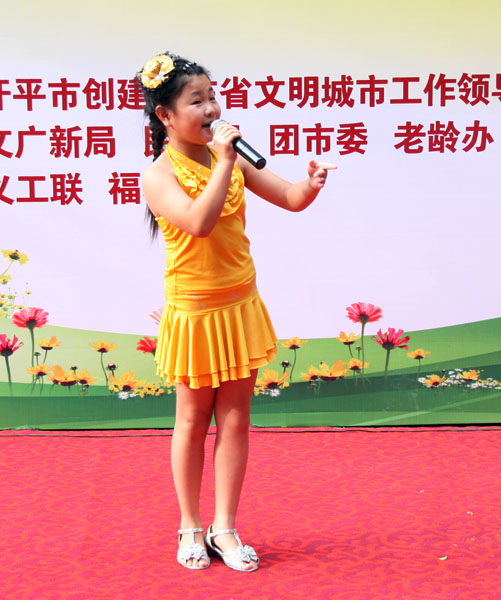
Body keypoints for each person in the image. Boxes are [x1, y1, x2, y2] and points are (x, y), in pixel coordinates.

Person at [137, 52, 336, 572]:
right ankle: (190, 526)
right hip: (194, 311)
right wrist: (225, 162)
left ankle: (224, 527)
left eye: (213, 97)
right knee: (191, 420)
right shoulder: (158, 175)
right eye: (197, 101)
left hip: (239, 303)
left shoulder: (228, 159)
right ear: (165, 115)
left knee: (235, 419)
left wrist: (312, 183)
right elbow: (198, 223)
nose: (211, 109)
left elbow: (290, 197)